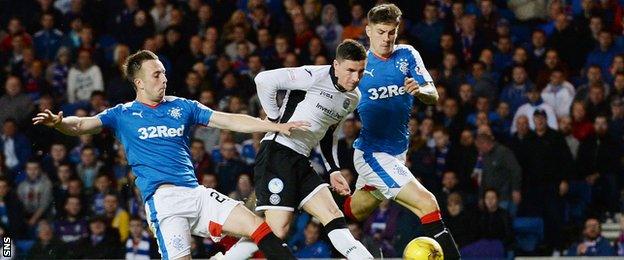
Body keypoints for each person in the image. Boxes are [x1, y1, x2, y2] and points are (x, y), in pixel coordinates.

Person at [32, 49, 304, 260]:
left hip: (196, 193)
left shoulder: (182, 107)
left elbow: (228, 120)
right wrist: (59, 123)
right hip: (164, 203)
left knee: (260, 227)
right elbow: (81, 125)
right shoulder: (122, 114)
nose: (164, 78)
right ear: (139, 82)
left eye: (163, 72)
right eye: (156, 75)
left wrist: (272, 125)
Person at [225, 39, 374, 259]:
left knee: (333, 215)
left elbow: (329, 134)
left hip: (301, 159)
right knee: (277, 230)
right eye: (350, 70)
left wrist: (333, 170)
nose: (355, 78)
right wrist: (274, 120)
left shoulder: (354, 97)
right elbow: (263, 80)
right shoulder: (314, 76)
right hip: (277, 153)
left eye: (361, 71)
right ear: (336, 65)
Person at [341, 4, 461, 259]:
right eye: (381, 32)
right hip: (372, 153)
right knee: (427, 204)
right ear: (368, 31)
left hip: (397, 153)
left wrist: (419, 90)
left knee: (356, 211)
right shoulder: (359, 65)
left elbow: (433, 94)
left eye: (392, 33)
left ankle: (313, 202)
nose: (387, 39)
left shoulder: (407, 54)